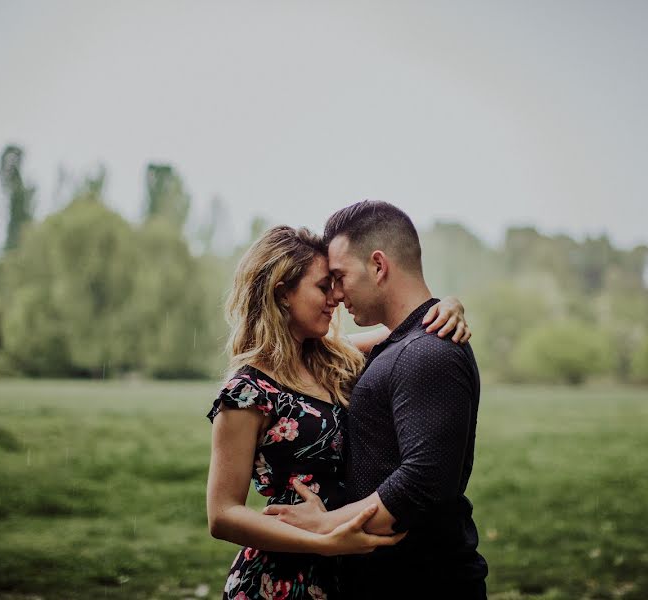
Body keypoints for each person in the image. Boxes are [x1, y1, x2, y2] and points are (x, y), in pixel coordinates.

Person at [206, 225, 472, 600]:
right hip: (282, 579)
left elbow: (412, 328)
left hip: (349, 572)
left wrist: (450, 305)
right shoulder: (246, 393)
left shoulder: (334, 358)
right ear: (282, 293)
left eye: (335, 282)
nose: (336, 297)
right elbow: (222, 515)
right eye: (322, 286)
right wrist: (323, 541)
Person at [264, 202, 489, 598]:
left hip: (426, 584)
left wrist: (327, 523)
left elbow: (422, 483)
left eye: (339, 276)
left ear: (379, 266)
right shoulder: (402, 344)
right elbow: (301, 356)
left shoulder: (428, 353)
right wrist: (447, 302)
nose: (335, 293)